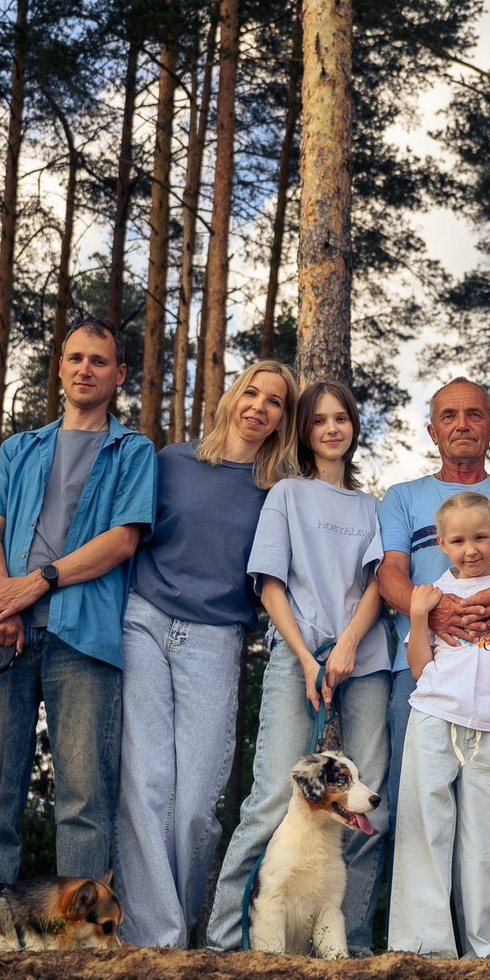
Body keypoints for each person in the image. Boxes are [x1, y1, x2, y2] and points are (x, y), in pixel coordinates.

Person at [0, 315, 158, 892]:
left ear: (118, 374)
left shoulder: (133, 451)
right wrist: (2, 604)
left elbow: (123, 540)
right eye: (75, 358)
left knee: (84, 801)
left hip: (84, 641)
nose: (85, 369)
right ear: (60, 369)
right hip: (1, 635)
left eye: (99, 361)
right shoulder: (19, 449)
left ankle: (81, 948)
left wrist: (38, 582)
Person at [377, 378, 490, 955]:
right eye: (449, 415)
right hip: (429, 679)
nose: (462, 423)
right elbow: (388, 573)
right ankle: (424, 951)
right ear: (432, 430)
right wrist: (428, 614)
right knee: (418, 812)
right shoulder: (403, 497)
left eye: (474, 414)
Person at [113, 360, 298, 947]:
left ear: (282, 420)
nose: (259, 406)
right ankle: (156, 941)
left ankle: (180, 926)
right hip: (143, 621)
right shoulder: (170, 461)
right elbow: (122, 536)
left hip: (216, 638)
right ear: (232, 396)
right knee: (144, 786)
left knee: (194, 802)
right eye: (252, 391)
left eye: (274, 401)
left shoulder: (278, 494)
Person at [206, 381, 391, 954]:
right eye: (320, 421)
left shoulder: (371, 507)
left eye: (342, 419)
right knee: (269, 797)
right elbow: (270, 585)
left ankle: (348, 947)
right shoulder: (286, 494)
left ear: (353, 427)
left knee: (366, 800)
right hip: (296, 654)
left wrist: (347, 645)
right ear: (305, 432)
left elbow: (376, 585)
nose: (332, 429)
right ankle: (224, 944)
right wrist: (310, 657)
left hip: (366, 657)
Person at [389, 492, 490, 957]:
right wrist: (419, 617)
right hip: (435, 718)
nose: (471, 549)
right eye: (458, 540)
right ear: (441, 543)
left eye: (481, 537)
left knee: (488, 841)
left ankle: (484, 955)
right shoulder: (431, 595)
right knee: (426, 829)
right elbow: (419, 667)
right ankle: (424, 951)